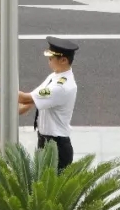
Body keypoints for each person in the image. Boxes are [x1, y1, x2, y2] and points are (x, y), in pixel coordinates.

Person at [19, 37, 79, 171]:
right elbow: (32, 100)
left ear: (63, 60)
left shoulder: (61, 86)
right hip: (45, 141)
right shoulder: (55, 76)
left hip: (56, 147)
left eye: (51, 57)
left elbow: (24, 98)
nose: (49, 60)